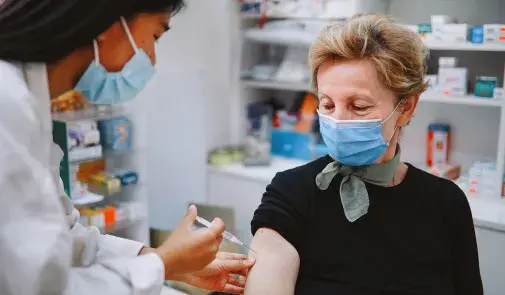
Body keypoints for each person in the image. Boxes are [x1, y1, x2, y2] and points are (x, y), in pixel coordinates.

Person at [0, 1, 254, 294]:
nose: (152, 60)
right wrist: (163, 262)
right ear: (110, 25)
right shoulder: (8, 105)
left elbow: (66, 242)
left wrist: (166, 262)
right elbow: (38, 287)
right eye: (155, 37)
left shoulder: (28, 104)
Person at [244, 13, 483, 295]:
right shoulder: (293, 192)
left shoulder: (446, 203)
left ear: (405, 107)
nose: (339, 121)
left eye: (358, 106)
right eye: (328, 105)